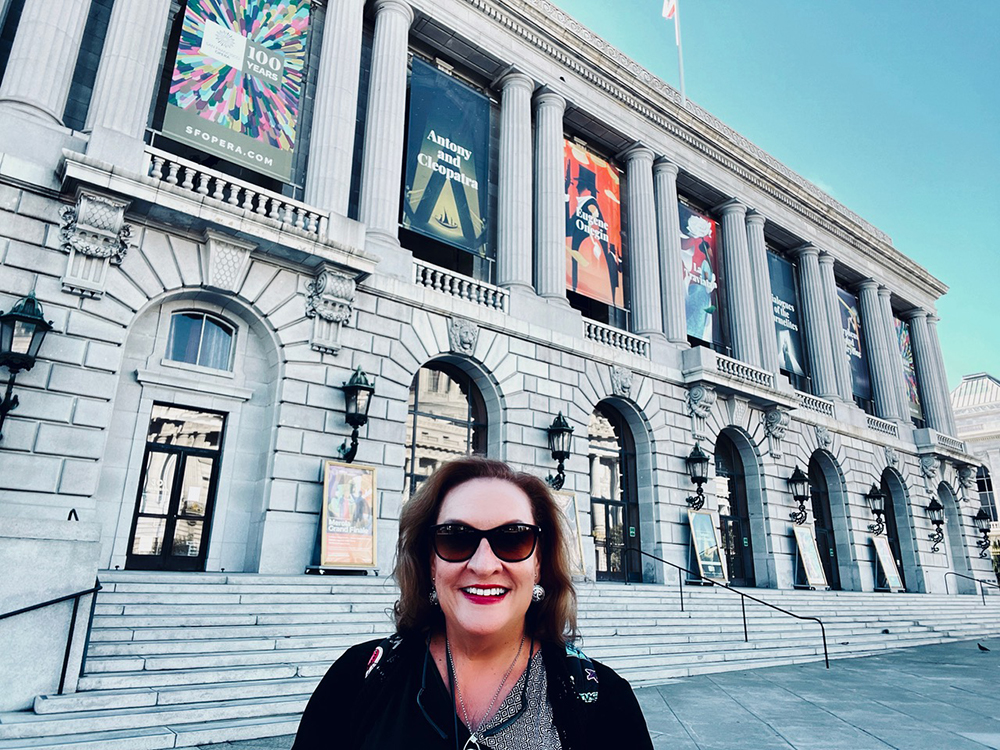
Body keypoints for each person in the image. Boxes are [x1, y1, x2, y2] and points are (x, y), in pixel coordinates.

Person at [293, 457, 653, 750]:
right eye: (455, 538)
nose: (483, 565)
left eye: (513, 539)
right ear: (431, 561)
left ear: (539, 563)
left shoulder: (603, 699)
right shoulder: (357, 679)